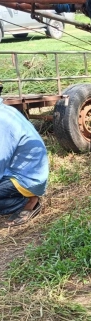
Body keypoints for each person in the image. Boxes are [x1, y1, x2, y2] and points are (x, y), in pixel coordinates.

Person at [0, 96, 49, 227]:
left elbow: (1, 158)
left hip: (25, 179)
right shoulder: (5, 110)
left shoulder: (2, 121)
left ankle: (27, 202)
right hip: (22, 170)